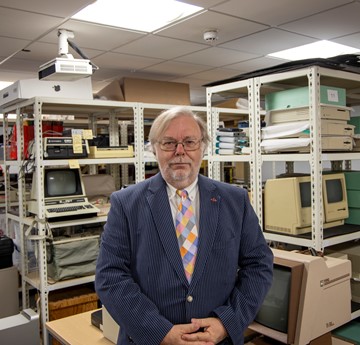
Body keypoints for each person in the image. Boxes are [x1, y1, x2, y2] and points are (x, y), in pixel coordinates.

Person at [95, 106, 273, 345]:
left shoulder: (234, 200)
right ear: (154, 148)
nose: (180, 152)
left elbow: (259, 265)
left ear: (203, 146)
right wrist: (159, 332)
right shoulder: (126, 204)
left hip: (218, 340)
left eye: (189, 141)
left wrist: (227, 322)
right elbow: (110, 277)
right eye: (169, 143)